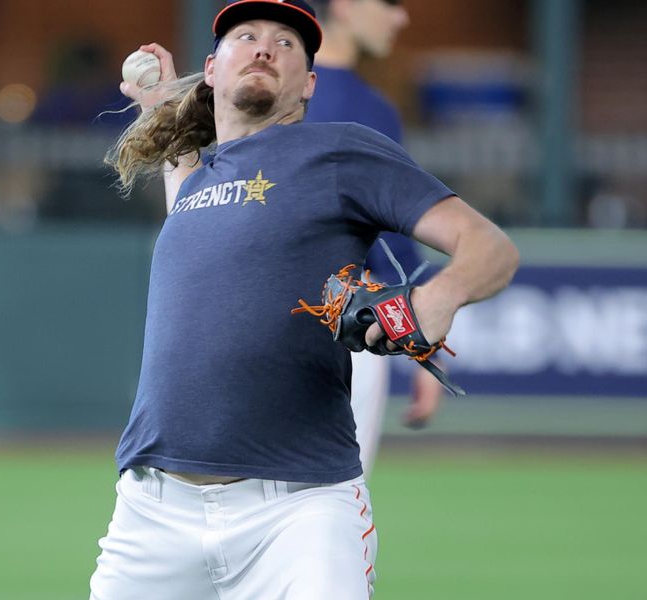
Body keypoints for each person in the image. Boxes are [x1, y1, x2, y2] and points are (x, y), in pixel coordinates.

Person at [89, 2, 519, 599]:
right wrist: (159, 106)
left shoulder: (341, 151)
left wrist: (436, 298)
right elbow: (188, 188)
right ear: (212, 69)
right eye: (247, 36)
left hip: (297, 513)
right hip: (152, 510)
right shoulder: (198, 183)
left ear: (310, 84)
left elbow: (491, 248)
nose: (265, 47)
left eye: (287, 44)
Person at [305, 0, 443, 476]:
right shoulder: (369, 109)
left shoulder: (259, 98)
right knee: (338, 507)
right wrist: (421, 341)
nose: (401, 17)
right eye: (388, 3)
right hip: (344, 325)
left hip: (253, 326)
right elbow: (391, 246)